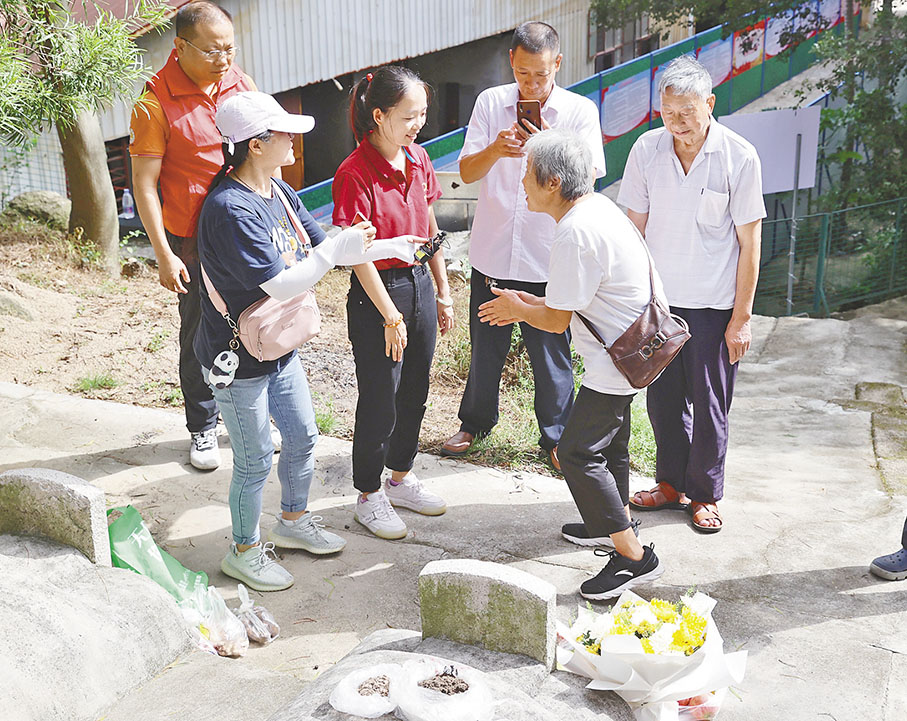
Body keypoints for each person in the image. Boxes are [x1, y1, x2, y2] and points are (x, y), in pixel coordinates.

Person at [195, 92, 418, 590]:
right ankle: (243, 550)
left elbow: (324, 248)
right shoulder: (230, 209)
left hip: (277, 342)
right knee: (254, 460)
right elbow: (283, 283)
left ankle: (292, 522)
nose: (294, 140)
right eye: (284, 133)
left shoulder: (277, 189)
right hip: (239, 354)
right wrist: (335, 251)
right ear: (256, 144)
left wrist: (391, 246)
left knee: (303, 436)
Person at [478, 129, 664, 600]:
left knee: (578, 454)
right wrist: (529, 301)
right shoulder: (598, 208)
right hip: (639, 347)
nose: (521, 181)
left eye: (527, 173)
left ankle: (633, 558)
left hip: (616, 360)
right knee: (612, 445)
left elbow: (556, 320)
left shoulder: (576, 231)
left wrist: (519, 309)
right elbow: (571, 299)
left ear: (553, 182)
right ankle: (610, 520)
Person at [441, 21, 607, 471]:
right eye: (523, 74)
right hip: (493, 249)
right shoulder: (490, 103)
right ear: (510, 62)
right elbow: (468, 172)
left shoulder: (579, 111)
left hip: (548, 254)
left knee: (550, 350)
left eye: (541, 75)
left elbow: (590, 178)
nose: (531, 84)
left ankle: (556, 435)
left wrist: (548, 149)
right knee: (485, 344)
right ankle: (475, 422)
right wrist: (497, 149)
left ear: (558, 64)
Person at [618, 55, 765, 534]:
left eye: (686, 112)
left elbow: (750, 244)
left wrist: (741, 317)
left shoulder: (739, 156)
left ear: (710, 104)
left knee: (710, 404)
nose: (676, 123)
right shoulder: (646, 149)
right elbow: (632, 229)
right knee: (662, 402)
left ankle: (703, 494)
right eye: (667, 113)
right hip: (658, 305)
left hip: (714, 307)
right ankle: (669, 484)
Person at [130, 2, 256, 470]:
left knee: (256, 322)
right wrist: (163, 254)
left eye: (230, 49)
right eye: (213, 51)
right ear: (180, 47)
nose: (224, 60)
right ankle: (202, 426)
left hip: (245, 226)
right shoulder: (155, 99)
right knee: (202, 331)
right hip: (193, 237)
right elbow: (144, 182)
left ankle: (252, 417)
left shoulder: (238, 81)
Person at [331, 66, 453, 541]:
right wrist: (390, 314)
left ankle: (399, 478)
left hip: (420, 282)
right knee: (381, 398)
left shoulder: (419, 159)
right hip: (379, 295)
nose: (417, 123)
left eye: (422, 114)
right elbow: (357, 252)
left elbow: (429, 225)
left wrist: (441, 291)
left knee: (416, 391)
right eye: (409, 115)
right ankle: (368, 494)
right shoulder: (353, 173)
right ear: (379, 115)